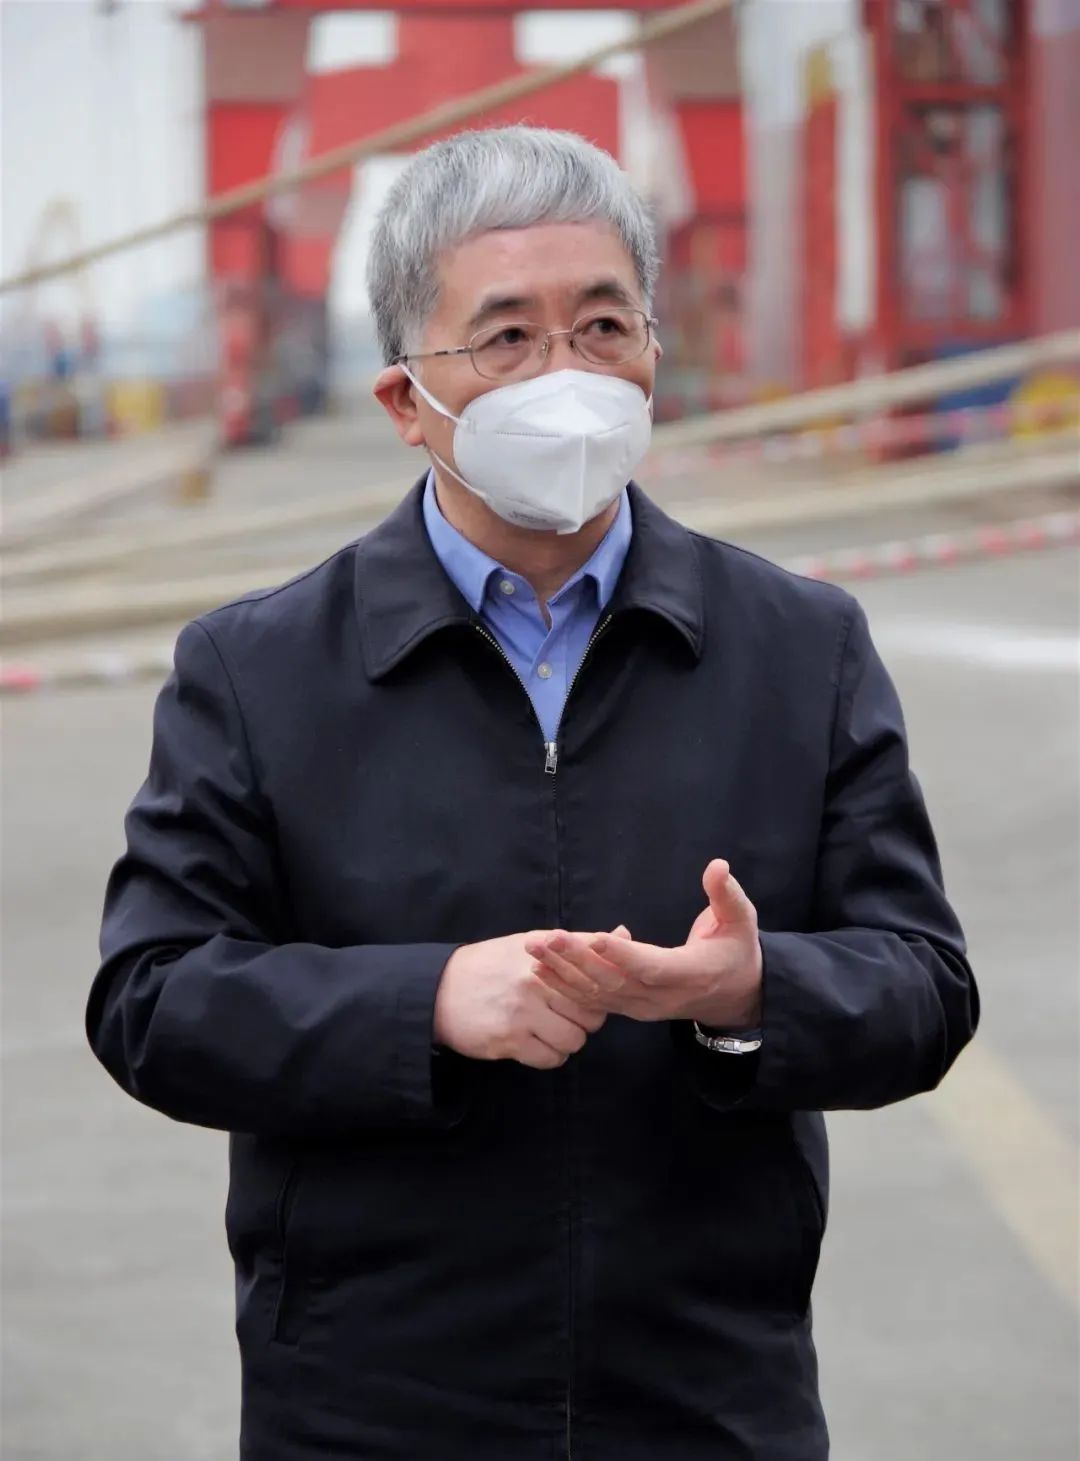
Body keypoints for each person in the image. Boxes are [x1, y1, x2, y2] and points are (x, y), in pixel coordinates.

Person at [86, 126, 978, 1460]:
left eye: (604, 326)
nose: (567, 376)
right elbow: (153, 1001)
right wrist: (427, 1003)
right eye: (507, 338)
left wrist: (751, 992)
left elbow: (925, 985)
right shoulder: (258, 670)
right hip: (369, 1407)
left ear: (655, 353)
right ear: (405, 400)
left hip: (708, 1400)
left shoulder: (800, 647)